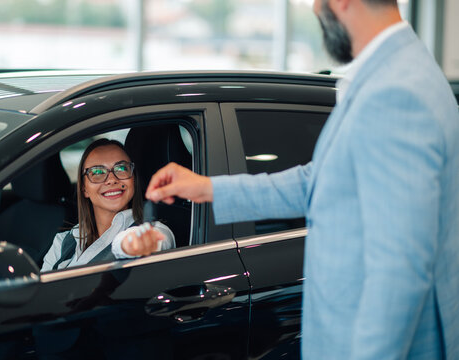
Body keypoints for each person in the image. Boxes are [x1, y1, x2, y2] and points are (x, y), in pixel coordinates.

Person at [146, 0, 459, 359]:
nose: (313, 9)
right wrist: (207, 188)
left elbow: (400, 267)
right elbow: (317, 183)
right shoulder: (401, 72)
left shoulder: (396, 91)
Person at [42, 138, 175, 271]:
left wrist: (126, 245)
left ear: (133, 180)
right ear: (84, 188)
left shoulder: (157, 231)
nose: (112, 180)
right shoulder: (63, 241)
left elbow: (155, 243)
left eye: (121, 168)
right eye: (98, 172)